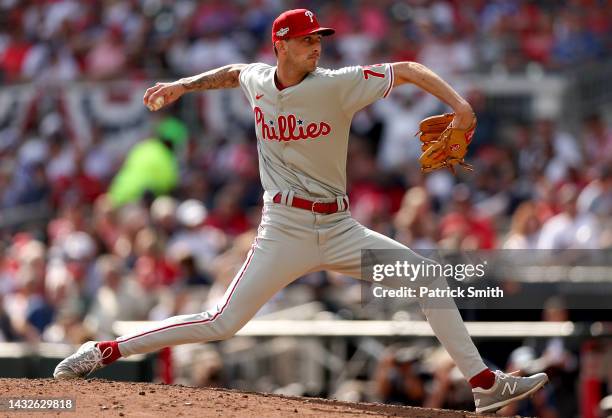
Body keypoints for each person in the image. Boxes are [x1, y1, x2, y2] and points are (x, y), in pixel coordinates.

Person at [54, 9, 548, 413]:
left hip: (339, 227)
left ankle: (484, 383)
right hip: (284, 228)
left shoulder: (336, 83)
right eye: (307, 39)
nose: (316, 46)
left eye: (319, 39)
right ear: (280, 45)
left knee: (424, 275)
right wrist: (183, 84)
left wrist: (462, 108)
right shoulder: (258, 80)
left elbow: (411, 70)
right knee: (223, 321)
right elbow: (231, 73)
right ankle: (105, 350)